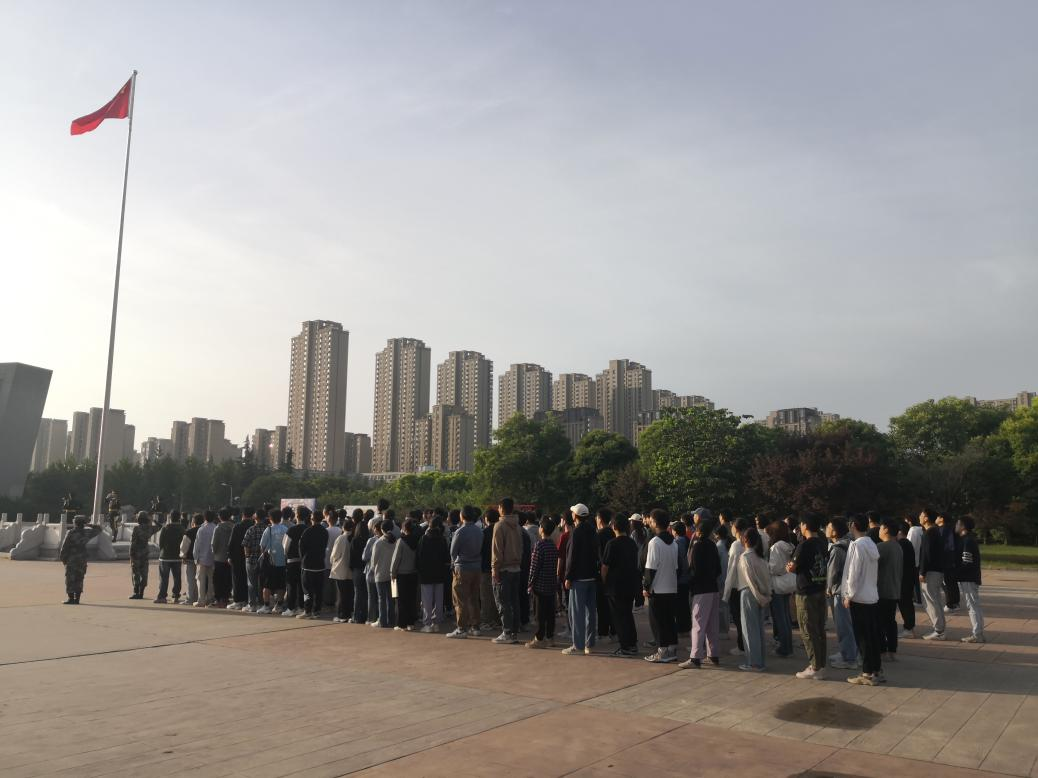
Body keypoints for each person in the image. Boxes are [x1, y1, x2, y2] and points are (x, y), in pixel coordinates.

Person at [843, 514, 882, 685]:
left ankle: (867, 673)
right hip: (872, 596)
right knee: (872, 636)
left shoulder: (857, 545)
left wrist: (848, 595)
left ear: (853, 525)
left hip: (859, 597)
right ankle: (876, 670)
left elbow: (854, 573)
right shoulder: (871, 544)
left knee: (863, 637)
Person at [787, 514, 828, 679]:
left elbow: (792, 566)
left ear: (804, 525)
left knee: (808, 630)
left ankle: (815, 666)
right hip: (820, 588)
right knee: (819, 629)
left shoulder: (804, 545)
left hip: (806, 591)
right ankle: (821, 664)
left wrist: (789, 567)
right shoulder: (822, 542)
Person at [680, 517, 721, 668]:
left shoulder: (697, 547)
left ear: (698, 531)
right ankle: (713, 654)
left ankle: (695, 657)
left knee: (698, 624)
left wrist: (691, 583)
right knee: (712, 624)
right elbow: (718, 569)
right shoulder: (713, 545)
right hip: (713, 587)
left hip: (701, 589)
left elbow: (694, 570)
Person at [643, 509, 680, 663]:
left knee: (657, 622)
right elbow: (677, 567)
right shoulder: (674, 543)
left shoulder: (654, 542)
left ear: (656, 523)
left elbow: (650, 568)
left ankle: (662, 651)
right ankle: (671, 649)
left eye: (651, 521)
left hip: (657, 589)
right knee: (670, 620)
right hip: (671, 587)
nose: (650, 523)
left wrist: (646, 587)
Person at [562, 503, 599, 655]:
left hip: (579, 578)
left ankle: (577, 645)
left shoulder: (576, 532)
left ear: (575, 516)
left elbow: (572, 557)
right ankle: (589, 644)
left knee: (577, 613)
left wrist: (568, 576)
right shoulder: (593, 530)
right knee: (590, 612)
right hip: (592, 576)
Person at [738, 527, 772, 672]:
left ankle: (753, 663)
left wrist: (759, 596)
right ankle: (759, 661)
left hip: (749, 593)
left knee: (749, 629)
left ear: (745, 539)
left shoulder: (745, 557)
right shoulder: (761, 558)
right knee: (758, 629)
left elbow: (750, 580)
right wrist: (765, 596)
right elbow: (767, 579)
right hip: (761, 594)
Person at [447, 505, 484, 639]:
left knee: (460, 599)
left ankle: (461, 628)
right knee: (474, 598)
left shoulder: (460, 531)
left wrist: (454, 563)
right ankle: (475, 626)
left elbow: (453, 552)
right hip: (476, 567)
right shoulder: (479, 531)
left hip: (462, 568)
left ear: (462, 516)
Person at [826, 517, 857, 669]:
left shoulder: (837, 548)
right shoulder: (850, 543)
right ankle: (847, 652)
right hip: (849, 589)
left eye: (828, 527)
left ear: (834, 531)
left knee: (843, 626)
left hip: (839, 591)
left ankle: (849, 659)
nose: (826, 529)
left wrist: (828, 588)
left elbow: (832, 572)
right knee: (848, 625)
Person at [491, 498, 524, 645]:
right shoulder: (518, 526)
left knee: (503, 602)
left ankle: (507, 632)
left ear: (501, 508)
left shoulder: (499, 526)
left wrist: (495, 569)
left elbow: (497, 550)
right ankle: (514, 631)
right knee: (514, 601)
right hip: (516, 568)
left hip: (503, 569)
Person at [527, 517, 561, 648]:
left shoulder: (539, 545)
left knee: (540, 614)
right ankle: (550, 637)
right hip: (551, 583)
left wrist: (530, 583)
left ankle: (539, 638)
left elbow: (534, 567)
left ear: (542, 529)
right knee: (550, 612)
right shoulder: (553, 545)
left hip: (540, 585)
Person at [721, 517, 753, 656]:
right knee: (746, 618)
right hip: (748, 584)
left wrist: (726, 591)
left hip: (736, 585)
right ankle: (747, 645)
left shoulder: (736, 545)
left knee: (739, 619)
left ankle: (742, 646)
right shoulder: (751, 541)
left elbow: (732, 568)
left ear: (736, 528)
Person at [766, 521, 795, 659]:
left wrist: (766, 566)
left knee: (780, 618)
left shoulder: (776, 547)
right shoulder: (790, 545)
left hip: (777, 585)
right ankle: (788, 645)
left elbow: (775, 568)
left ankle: (784, 648)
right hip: (787, 583)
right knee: (786, 616)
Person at [416, 515, 450, 633]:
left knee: (427, 600)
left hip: (426, 574)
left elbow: (419, 556)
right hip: (440, 573)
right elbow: (446, 557)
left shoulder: (424, 538)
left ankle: (427, 623)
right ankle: (437, 623)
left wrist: (419, 570)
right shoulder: (442, 539)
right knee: (439, 600)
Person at [876, 518, 904, 662]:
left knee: (879, 623)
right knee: (890, 622)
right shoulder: (898, 547)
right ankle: (892, 651)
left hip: (882, 590)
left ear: (886, 529)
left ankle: (882, 651)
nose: (879, 531)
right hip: (894, 590)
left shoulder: (882, 547)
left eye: (881, 528)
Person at [918, 508, 947, 640]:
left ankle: (939, 630)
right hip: (937, 570)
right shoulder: (935, 531)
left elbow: (926, 555)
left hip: (931, 571)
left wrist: (922, 572)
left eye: (921, 515)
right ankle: (940, 629)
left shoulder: (929, 533)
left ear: (926, 518)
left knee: (930, 601)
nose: (919, 517)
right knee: (935, 600)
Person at [59, 516, 101, 604]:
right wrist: (89, 525)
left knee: (70, 578)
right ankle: (77, 599)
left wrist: (63, 558)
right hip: (82, 558)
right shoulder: (87, 532)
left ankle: (71, 599)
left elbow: (65, 546)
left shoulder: (71, 532)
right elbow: (99, 529)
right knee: (79, 578)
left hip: (72, 558)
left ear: (75, 523)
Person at [956, 516, 985, 643]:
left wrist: (955, 574)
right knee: (974, 605)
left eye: (958, 524)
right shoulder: (968, 539)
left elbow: (966, 562)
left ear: (963, 526)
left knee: (972, 606)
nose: (956, 526)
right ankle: (978, 633)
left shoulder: (967, 541)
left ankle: (977, 634)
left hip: (968, 578)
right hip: (970, 577)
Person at [298, 509, 329, 619]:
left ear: (312, 518)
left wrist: (303, 559)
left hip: (308, 565)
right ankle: (317, 611)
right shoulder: (325, 531)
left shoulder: (307, 531)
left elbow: (301, 548)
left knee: (307, 591)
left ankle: (307, 610)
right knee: (318, 590)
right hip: (320, 564)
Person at [391, 518, 420, 630]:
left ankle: (401, 624)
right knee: (412, 599)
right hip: (413, 573)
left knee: (401, 600)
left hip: (402, 574)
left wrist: (392, 572)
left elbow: (396, 559)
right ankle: (411, 623)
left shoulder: (401, 541)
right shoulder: (418, 541)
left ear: (404, 529)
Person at [258, 508, 288, 613]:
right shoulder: (285, 529)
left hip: (271, 561)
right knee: (281, 585)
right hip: (283, 561)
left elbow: (262, 546)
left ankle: (266, 606)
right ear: (280, 518)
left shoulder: (269, 529)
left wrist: (264, 554)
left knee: (267, 585)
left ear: (270, 518)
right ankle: (279, 605)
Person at [227, 506, 255, 610]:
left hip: (237, 556)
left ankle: (238, 601)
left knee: (237, 579)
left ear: (243, 515)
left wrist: (229, 556)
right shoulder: (253, 526)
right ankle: (248, 600)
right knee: (250, 580)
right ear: (253, 515)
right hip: (251, 556)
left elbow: (231, 543)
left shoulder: (237, 526)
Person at [282, 506, 308, 617]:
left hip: (292, 561)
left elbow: (285, 546)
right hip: (304, 562)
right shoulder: (308, 529)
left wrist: (287, 555)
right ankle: (301, 607)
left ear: (296, 516)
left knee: (291, 585)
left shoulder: (291, 530)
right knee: (302, 586)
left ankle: (291, 608)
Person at [370, 518, 397, 628]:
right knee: (392, 598)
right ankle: (392, 620)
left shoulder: (378, 543)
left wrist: (373, 570)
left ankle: (382, 621)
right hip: (394, 575)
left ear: (381, 529)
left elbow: (373, 561)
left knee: (381, 599)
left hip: (380, 575)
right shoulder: (396, 541)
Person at [595, 508, 615, 642]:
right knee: (611, 605)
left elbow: (599, 557)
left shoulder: (599, 535)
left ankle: (603, 633)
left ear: (600, 519)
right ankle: (614, 631)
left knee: (602, 606)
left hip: (602, 573)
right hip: (614, 573)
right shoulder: (613, 533)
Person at [155, 510, 184, 604]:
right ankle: (176, 596)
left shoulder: (165, 528)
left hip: (165, 557)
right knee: (177, 577)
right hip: (177, 557)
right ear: (179, 518)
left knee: (164, 577)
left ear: (170, 517)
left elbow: (160, 543)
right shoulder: (182, 529)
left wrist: (163, 551)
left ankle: (162, 596)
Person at [480, 509, 502, 632]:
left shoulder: (484, 532)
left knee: (485, 597)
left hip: (485, 568)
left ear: (486, 519)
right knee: (497, 596)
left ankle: (486, 621)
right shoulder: (501, 531)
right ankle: (497, 620)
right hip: (499, 567)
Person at [241, 509, 267, 612]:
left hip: (251, 559)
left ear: (255, 517)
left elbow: (246, 544)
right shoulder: (267, 529)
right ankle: (262, 603)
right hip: (264, 560)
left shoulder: (251, 529)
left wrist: (247, 555)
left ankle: (252, 604)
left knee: (251, 583)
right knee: (262, 583)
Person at [127, 512, 158, 600]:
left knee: (136, 573)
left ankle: (136, 592)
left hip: (136, 554)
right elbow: (159, 526)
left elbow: (133, 542)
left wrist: (131, 553)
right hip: (145, 554)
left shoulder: (136, 528)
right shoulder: (150, 528)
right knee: (144, 573)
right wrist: (152, 520)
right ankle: (141, 593)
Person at [329, 516, 353, 623]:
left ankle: (342, 615)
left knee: (341, 595)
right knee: (349, 594)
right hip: (351, 571)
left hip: (340, 570)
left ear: (343, 527)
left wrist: (332, 561)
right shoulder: (355, 537)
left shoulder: (341, 538)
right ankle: (349, 614)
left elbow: (334, 555)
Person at [897, 521, 918, 638]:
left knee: (905, 604)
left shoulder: (902, 544)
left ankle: (909, 628)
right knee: (907, 603)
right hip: (908, 577)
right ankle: (909, 627)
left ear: (899, 531)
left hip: (904, 579)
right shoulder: (907, 543)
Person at [671, 520, 692, 639]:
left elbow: (679, 561)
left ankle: (682, 628)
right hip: (687, 577)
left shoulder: (678, 542)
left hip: (680, 578)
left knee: (680, 605)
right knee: (684, 604)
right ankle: (686, 628)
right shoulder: (687, 540)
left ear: (675, 531)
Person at [937, 510, 962, 613]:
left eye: (938, 517)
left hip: (947, 560)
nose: (936, 519)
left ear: (942, 519)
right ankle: (955, 603)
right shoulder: (949, 529)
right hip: (952, 560)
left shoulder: (944, 530)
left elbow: (947, 546)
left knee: (947, 583)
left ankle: (951, 604)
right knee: (952, 582)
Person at [193, 510, 217, 607]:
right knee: (211, 580)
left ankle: (201, 600)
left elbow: (197, 545)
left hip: (202, 558)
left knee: (200, 580)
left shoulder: (201, 529)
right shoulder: (215, 528)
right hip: (213, 558)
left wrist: (195, 557)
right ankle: (210, 599)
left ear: (204, 518)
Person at [349, 512, 370, 624]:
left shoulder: (354, 540)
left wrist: (351, 567)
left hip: (357, 569)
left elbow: (351, 557)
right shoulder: (369, 540)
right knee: (366, 594)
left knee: (357, 593)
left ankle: (356, 616)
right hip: (367, 568)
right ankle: (365, 615)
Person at [211, 507, 234, 608]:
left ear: (219, 517)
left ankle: (218, 599)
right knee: (227, 580)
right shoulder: (234, 527)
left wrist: (214, 552)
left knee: (218, 580)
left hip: (219, 557)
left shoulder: (218, 528)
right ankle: (225, 598)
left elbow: (214, 543)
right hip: (230, 558)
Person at [180, 514, 203, 605]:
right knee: (200, 579)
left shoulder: (189, 532)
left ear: (193, 522)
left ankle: (190, 599)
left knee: (190, 580)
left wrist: (183, 556)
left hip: (190, 558)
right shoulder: (204, 530)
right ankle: (198, 597)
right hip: (202, 559)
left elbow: (184, 546)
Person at [906, 513, 924, 604]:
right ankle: (919, 599)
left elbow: (910, 545)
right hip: (919, 558)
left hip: (913, 559)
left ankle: (917, 599)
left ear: (909, 521)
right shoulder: (921, 529)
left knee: (914, 581)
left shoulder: (912, 531)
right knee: (917, 581)